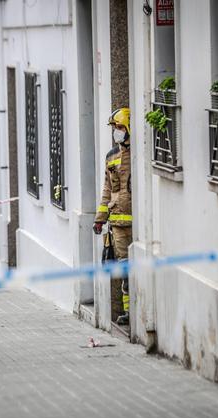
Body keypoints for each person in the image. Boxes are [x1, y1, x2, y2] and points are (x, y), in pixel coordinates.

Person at [93, 108, 133, 326]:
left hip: (137, 222)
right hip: (117, 221)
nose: (116, 132)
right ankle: (128, 311)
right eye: (114, 128)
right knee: (124, 269)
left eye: (119, 128)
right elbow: (107, 189)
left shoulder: (137, 153)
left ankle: (134, 308)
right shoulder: (111, 156)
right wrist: (100, 218)